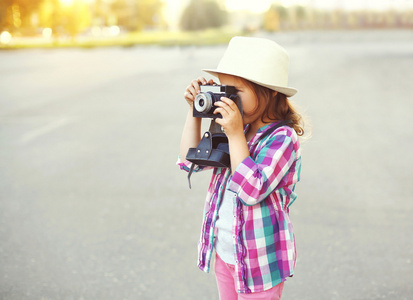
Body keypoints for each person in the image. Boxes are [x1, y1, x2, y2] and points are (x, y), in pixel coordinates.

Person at [178, 36, 305, 300]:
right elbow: (191, 160)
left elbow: (251, 190)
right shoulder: (238, 127)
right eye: (225, 89)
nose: (229, 99)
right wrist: (195, 112)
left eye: (237, 91)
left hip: (261, 263)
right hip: (225, 253)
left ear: (269, 92)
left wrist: (235, 135)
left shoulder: (282, 138)